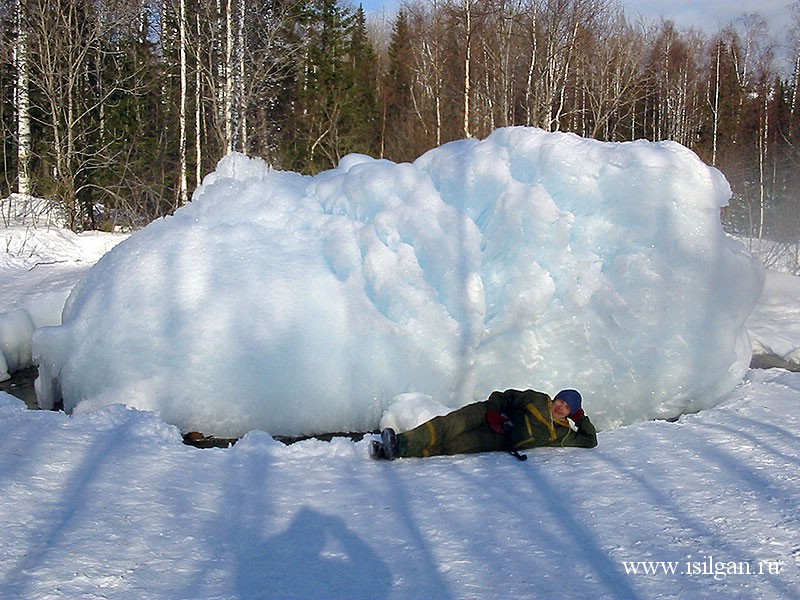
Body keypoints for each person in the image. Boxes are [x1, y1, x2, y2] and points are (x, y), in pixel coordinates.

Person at [370, 388, 597, 461]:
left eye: (567, 407)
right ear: (555, 398)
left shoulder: (561, 434)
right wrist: (495, 412)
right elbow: (505, 396)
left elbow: (590, 440)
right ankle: (399, 442)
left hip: (497, 438)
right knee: (447, 426)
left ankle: (394, 451)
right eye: (560, 401)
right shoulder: (537, 399)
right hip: (485, 414)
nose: (559, 407)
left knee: (452, 445)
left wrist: (580, 419)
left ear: (570, 412)